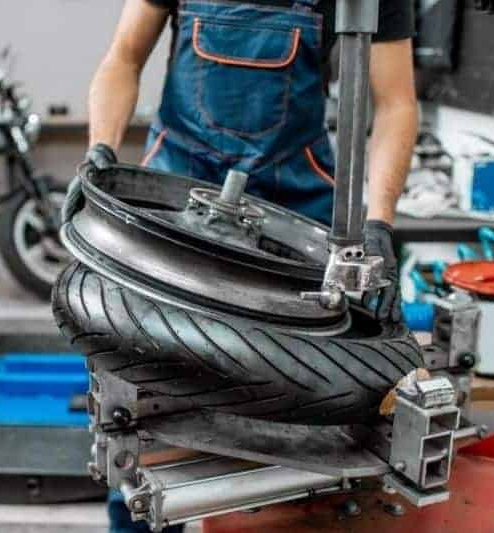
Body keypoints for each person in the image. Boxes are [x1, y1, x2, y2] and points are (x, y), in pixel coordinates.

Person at [77, 1, 418, 531]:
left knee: (305, 417)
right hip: (172, 209)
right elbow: (123, 58)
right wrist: (101, 148)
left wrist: (377, 225)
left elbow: (394, 103)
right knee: (139, 414)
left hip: (294, 216)